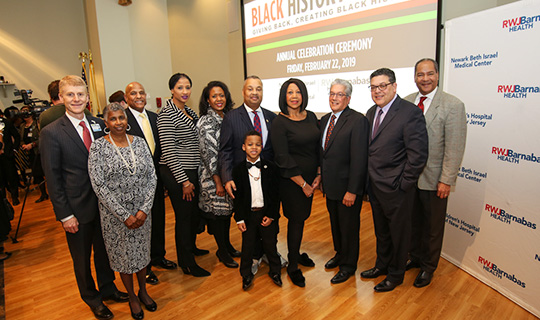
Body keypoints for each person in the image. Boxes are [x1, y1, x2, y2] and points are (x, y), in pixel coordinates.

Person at [40, 75, 128, 320]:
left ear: (88, 97)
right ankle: (92, 298)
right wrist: (65, 215)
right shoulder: (52, 133)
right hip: (76, 208)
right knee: (82, 258)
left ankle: (108, 288)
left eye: (80, 94)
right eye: (70, 94)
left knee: (105, 251)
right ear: (61, 98)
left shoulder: (100, 123)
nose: (76, 99)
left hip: (105, 205)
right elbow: (53, 177)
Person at [360, 68, 428, 292]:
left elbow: (418, 155)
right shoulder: (371, 112)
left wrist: (403, 185)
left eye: (383, 86)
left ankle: (396, 274)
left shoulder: (409, 113)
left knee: (399, 234)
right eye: (373, 87)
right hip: (375, 186)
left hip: (397, 189)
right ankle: (382, 265)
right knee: (382, 231)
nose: (377, 91)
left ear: (394, 86)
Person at [88, 102, 158, 320]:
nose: (118, 122)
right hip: (115, 217)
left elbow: (152, 177)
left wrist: (144, 209)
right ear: (106, 122)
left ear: (126, 120)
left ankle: (143, 291)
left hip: (142, 213)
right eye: (113, 119)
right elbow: (98, 185)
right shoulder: (98, 147)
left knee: (142, 255)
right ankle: (132, 297)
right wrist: (124, 215)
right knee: (125, 259)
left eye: (121, 118)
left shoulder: (139, 143)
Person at [404, 58, 467, 288]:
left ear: (438, 75)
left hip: (435, 179)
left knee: (432, 226)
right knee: (413, 223)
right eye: (420, 75)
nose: (425, 79)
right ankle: (415, 256)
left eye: (430, 74)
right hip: (410, 179)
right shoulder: (407, 102)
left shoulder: (452, 105)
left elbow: (455, 146)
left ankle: (428, 267)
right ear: (414, 77)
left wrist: (446, 180)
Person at [219, 75, 286, 273]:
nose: (254, 93)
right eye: (250, 89)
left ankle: (269, 251)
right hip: (243, 178)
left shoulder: (271, 117)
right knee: (249, 222)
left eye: (258, 89)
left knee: (270, 219)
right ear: (243, 92)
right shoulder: (231, 117)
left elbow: (273, 150)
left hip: (267, 179)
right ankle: (254, 255)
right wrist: (227, 177)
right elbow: (225, 150)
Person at [158, 73, 210, 277]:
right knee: (184, 217)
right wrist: (184, 181)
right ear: (172, 90)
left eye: (188, 87)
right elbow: (169, 151)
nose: (185, 91)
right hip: (177, 172)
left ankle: (192, 248)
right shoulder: (166, 115)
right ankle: (187, 263)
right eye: (180, 87)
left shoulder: (188, 111)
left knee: (192, 214)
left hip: (192, 169)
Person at [124, 81, 176, 285]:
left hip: (156, 182)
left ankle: (158, 256)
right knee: (141, 226)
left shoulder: (155, 118)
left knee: (158, 220)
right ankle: (144, 267)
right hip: (135, 186)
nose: (138, 96)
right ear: (126, 98)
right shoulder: (122, 120)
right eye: (133, 93)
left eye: (141, 93)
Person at [270, 78, 319, 287]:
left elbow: (317, 148)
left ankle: (295, 253)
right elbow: (283, 158)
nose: (294, 96)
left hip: (310, 179)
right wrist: (303, 184)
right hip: (291, 181)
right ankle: (292, 266)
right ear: (284, 96)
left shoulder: (312, 117)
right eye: (290, 92)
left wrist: (318, 174)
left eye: (298, 92)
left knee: (302, 218)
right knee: (296, 219)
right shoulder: (279, 122)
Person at [319, 79, 369, 284]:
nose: (334, 98)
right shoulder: (324, 120)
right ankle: (340, 254)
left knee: (349, 227)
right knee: (335, 224)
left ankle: (348, 265)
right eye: (332, 93)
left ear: (348, 98)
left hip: (347, 189)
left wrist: (353, 190)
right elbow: (324, 154)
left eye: (339, 94)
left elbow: (359, 158)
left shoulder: (357, 120)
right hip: (330, 187)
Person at [197, 81, 239, 268]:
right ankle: (222, 251)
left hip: (227, 175)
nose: (219, 99)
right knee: (219, 217)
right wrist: (219, 182)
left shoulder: (228, 117)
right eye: (214, 96)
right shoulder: (206, 122)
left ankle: (227, 246)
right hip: (213, 178)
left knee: (226, 213)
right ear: (208, 100)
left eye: (221, 95)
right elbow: (209, 154)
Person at [233, 131, 282, 290]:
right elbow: (238, 197)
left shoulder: (271, 167)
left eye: (258, 144)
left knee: (270, 245)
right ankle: (246, 273)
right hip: (248, 215)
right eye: (250, 144)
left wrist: (271, 215)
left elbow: (275, 195)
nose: (254, 147)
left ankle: (275, 271)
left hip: (266, 213)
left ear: (262, 147)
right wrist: (239, 218)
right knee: (247, 246)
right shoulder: (238, 170)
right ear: (243, 147)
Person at [18, 106, 48, 203]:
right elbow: (21, 139)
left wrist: (32, 144)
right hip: (30, 154)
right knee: (37, 175)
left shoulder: (37, 124)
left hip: (40, 152)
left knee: (47, 173)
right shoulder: (22, 126)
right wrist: (24, 145)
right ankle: (43, 194)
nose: (25, 115)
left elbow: (43, 137)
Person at [0, 107, 21, 206]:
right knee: (1, 179)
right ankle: (4, 199)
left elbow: (16, 136)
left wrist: (14, 149)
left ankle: (14, 196)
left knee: (11, 176)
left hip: (7, 154)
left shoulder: (7, 123)